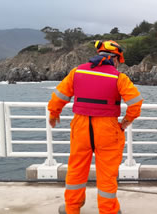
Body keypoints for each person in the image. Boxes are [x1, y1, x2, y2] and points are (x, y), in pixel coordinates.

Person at [48, 40, 143, 214]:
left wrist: (54, 114)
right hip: (107, 128)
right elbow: (136, 103)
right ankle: (108, 211)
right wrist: (126, 122)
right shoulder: (119, 78)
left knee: (76, 169)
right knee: (107, 174)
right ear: (114, 59)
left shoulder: (77, 72)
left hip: (81, 125)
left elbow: (59, 96)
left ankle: (72, 208)